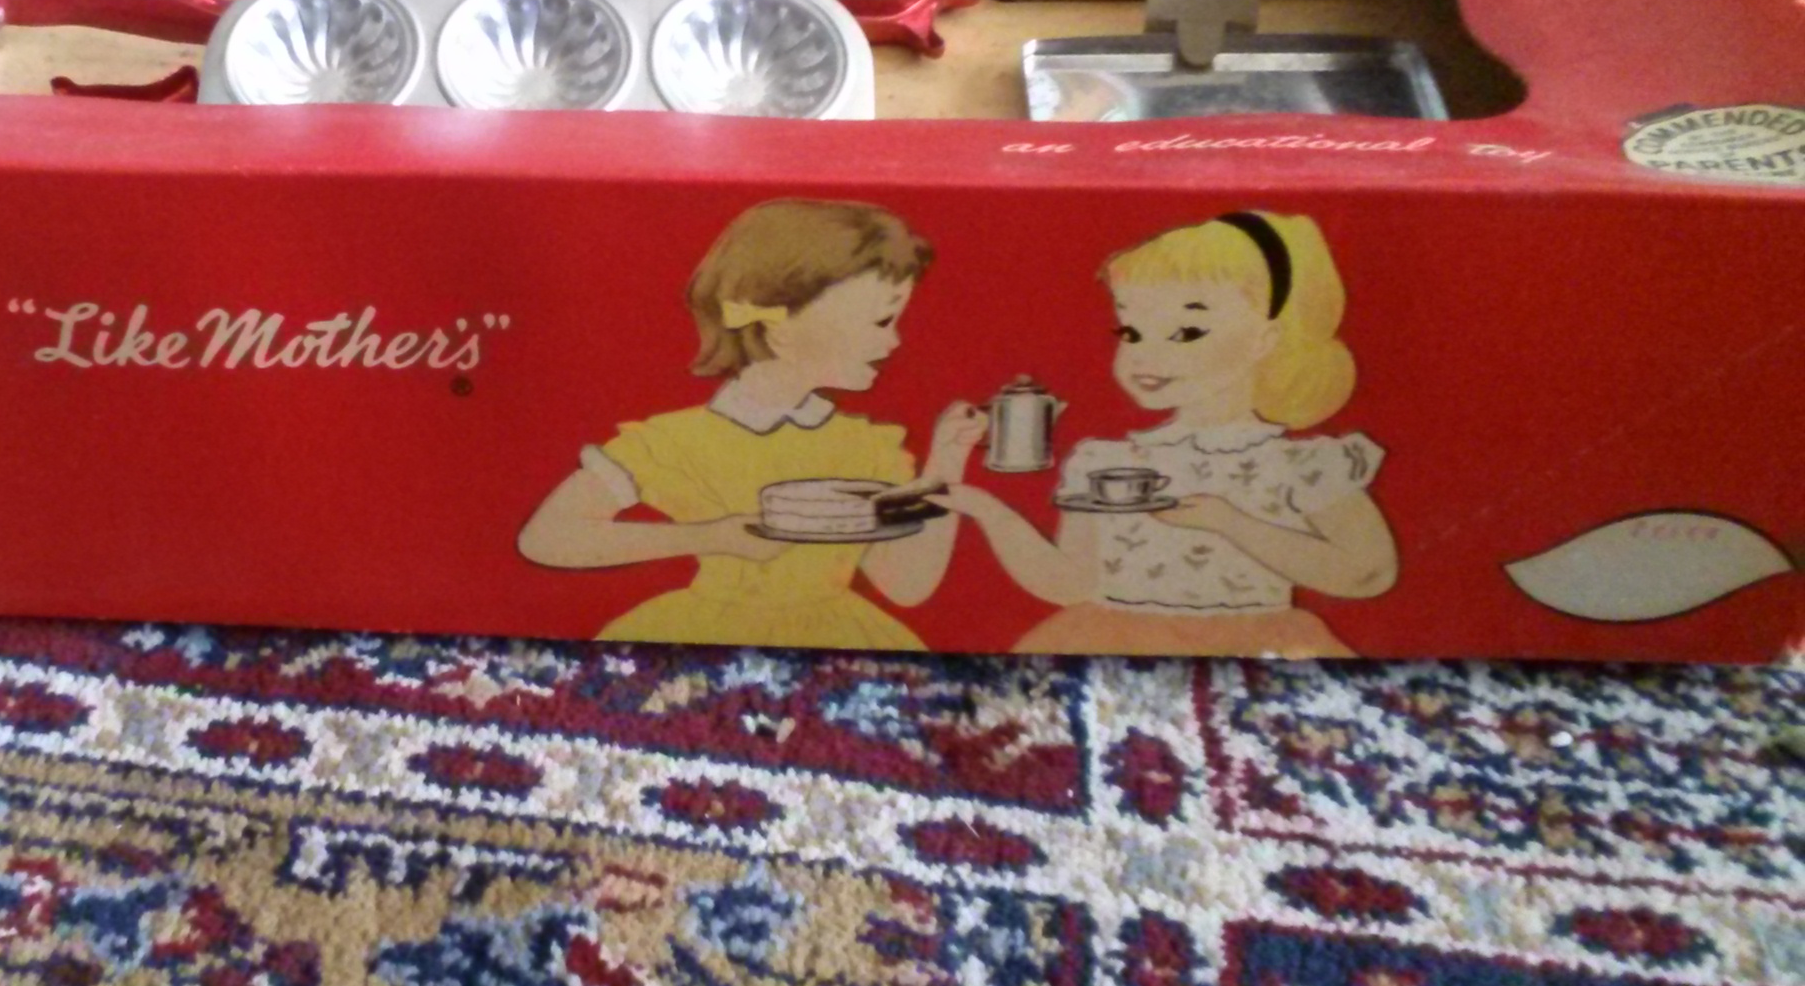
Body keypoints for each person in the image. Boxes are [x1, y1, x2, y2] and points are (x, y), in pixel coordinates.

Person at [517, 198, 983, 650]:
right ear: (779, 324)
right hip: (703, 637)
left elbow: (908, 585)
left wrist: (946, 461)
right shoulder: (673, 443)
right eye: (880, 321)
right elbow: (547, 537)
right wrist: (711, 537)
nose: (895, 340)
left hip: (839, 640)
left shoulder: (866, 447)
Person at [945, 210, 1397, 657]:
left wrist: (1230, 523)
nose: (1145, 355)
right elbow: (1071, 584)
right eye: (1131, 332)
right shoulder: (1104, 463)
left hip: (1253, 649)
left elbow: (1368, 574)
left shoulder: (1298, 464)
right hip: (1110, 645)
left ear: (1264, 339)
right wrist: (986, 510)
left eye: (1186, 332)